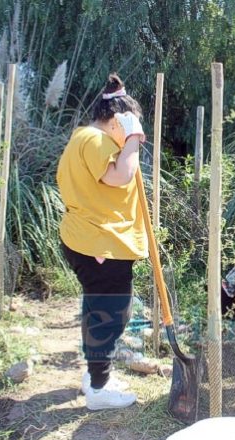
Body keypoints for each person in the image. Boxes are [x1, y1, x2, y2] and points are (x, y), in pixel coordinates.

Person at [56, 73, 147, 411]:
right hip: (99, 242)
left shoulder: (84, 138)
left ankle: (96, 376)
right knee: (112, 314)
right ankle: (99, 386)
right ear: (117, 119)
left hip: (97, 238)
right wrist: (133, 138)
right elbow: (121, 176)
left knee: (100, 310)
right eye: (126, 123)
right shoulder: (95, 140)